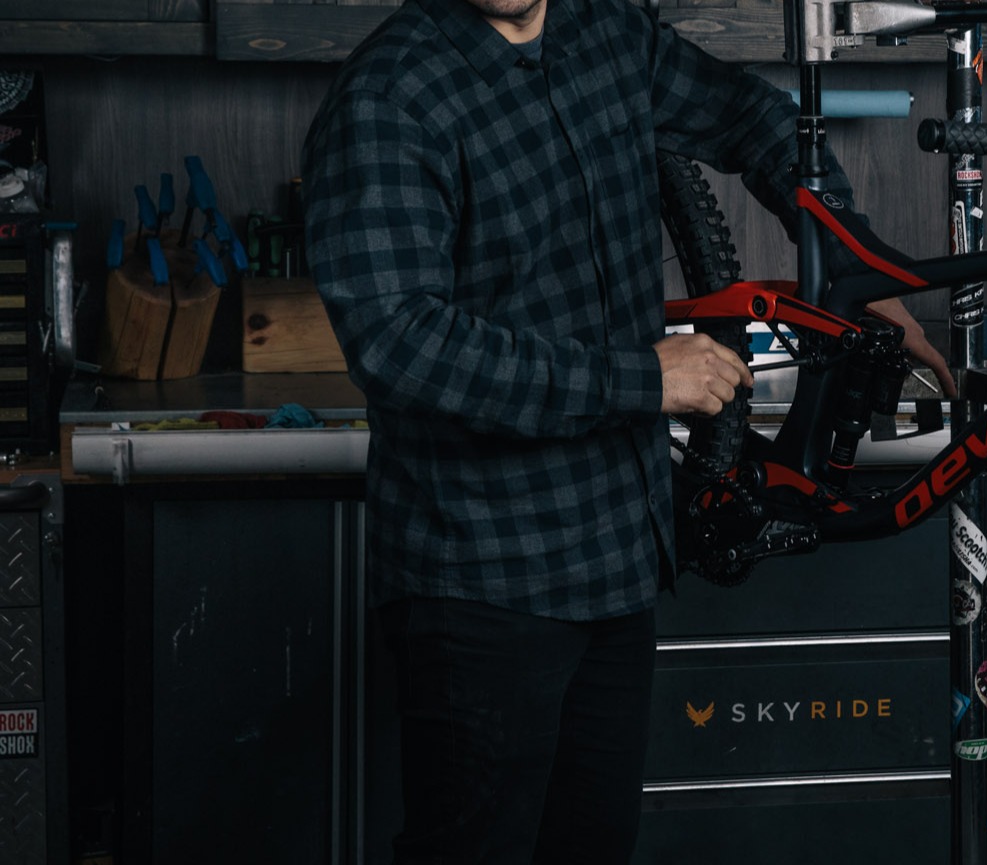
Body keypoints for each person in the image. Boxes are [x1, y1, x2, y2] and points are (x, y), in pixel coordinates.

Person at [301, 0, 953, 862]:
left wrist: (851, 262)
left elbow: (754, 120)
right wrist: (644, 377)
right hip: (482, 577)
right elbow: (402, 345)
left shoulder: (605, 34)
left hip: (615, 559)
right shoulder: (388, 96)